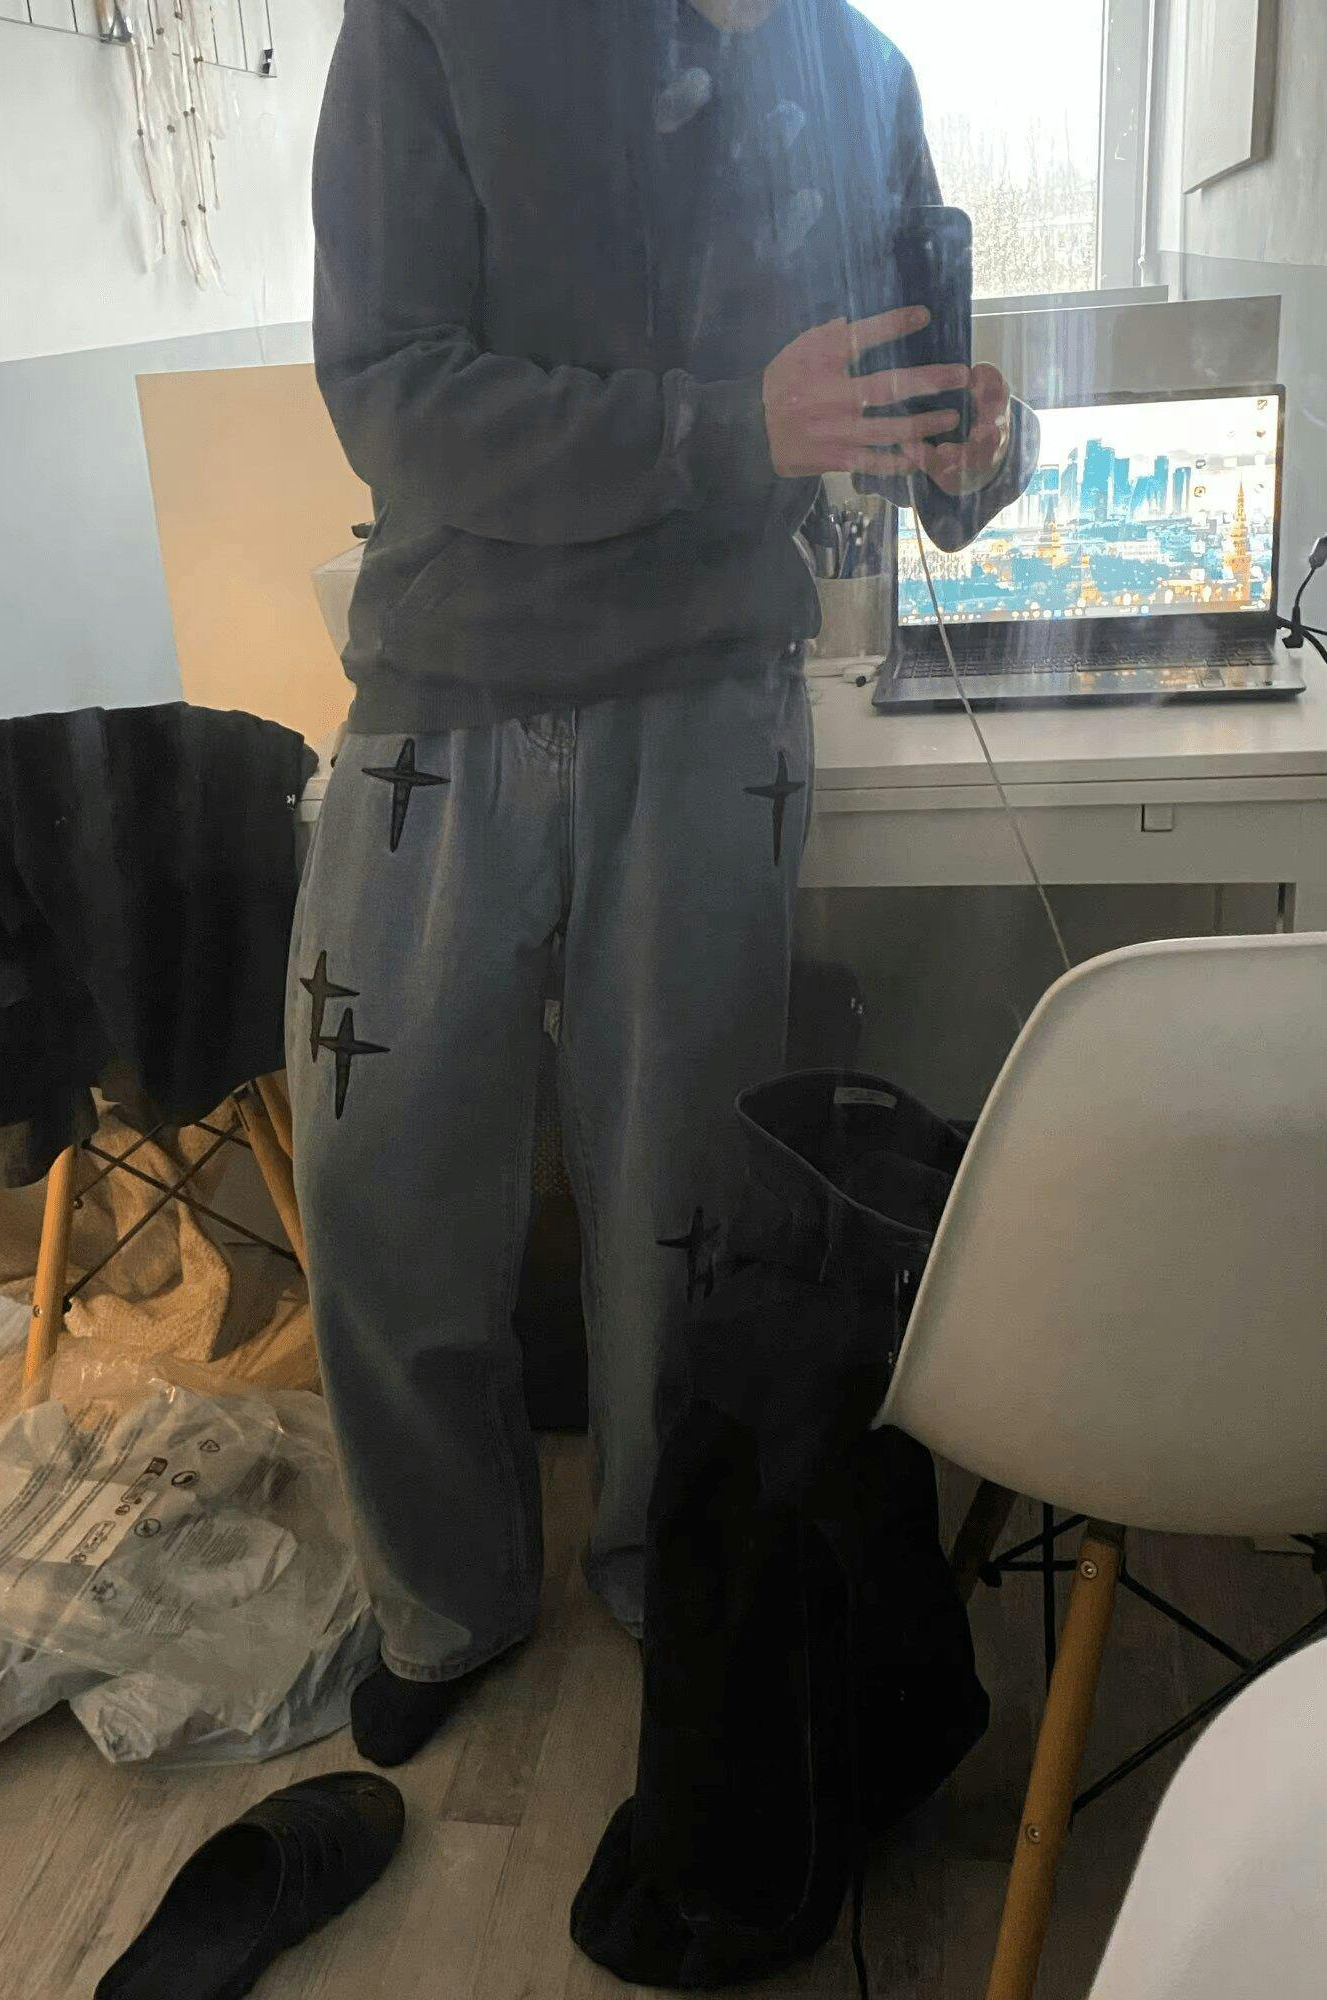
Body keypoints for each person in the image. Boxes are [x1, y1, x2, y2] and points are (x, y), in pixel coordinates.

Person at [291, 0, 1036, 1767]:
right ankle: (445, 1595)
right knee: (383, 1182)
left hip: (715, 701)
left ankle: (667, 1559)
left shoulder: (864, 74)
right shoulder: (431, 18)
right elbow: (385, 387)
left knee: (683, 1206)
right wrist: (724, 430)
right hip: (445, 687)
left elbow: (895, 423)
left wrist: (974, 455)